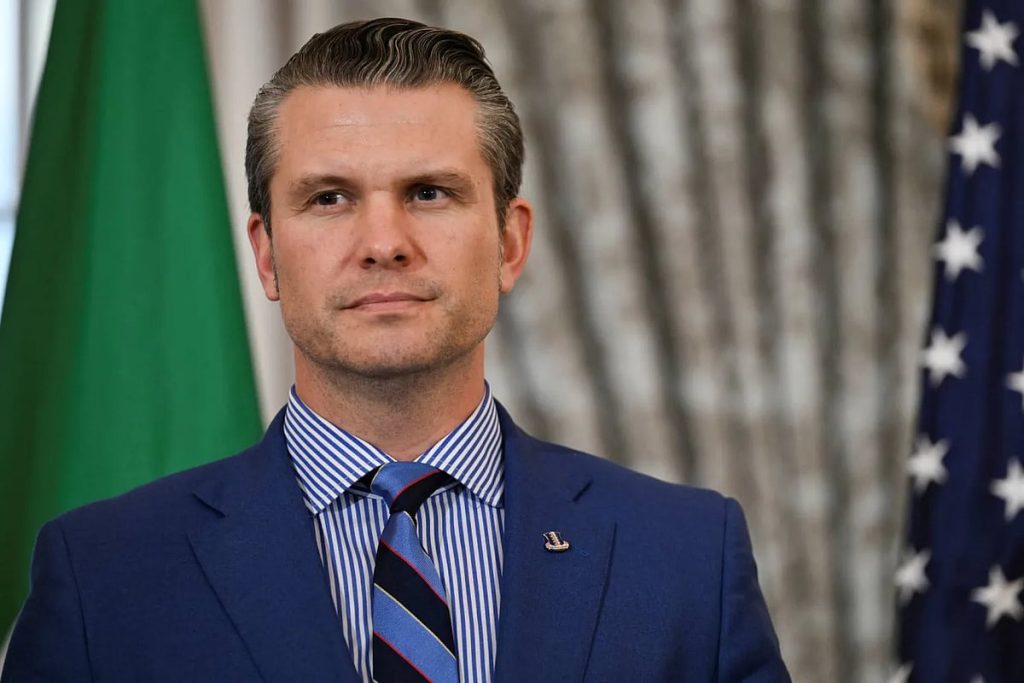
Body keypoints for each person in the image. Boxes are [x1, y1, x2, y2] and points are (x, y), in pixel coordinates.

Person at [1, 18, 789, 683]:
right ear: (267, 255)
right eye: (329, 198)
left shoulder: (688, 557)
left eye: (429, 192)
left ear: (511, 242)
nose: (384, 242)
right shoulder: (101, 574)